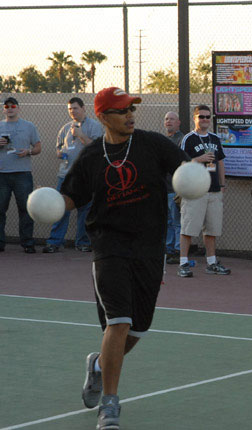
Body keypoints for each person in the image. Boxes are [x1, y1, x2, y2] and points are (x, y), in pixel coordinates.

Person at [59, 87, 188, 429]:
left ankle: (99, 365)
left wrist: (191, 177)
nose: (130, 114)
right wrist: (51, 204)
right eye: (121, 110)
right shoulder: (90, 158)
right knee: (119, 321)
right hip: (108, 246)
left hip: (149, 247)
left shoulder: (152, 144)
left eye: (132, 108)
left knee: (138, 329)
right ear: (102, 117)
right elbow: (70, 197)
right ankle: (110, 404)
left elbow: (183, 168)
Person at [43, 97, 103, 253]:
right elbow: (58, 148)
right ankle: (55, 241)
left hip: (86, 176)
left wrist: (81, 135)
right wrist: (60, 153)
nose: (72, 111)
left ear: (83, 108)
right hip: (66, 175)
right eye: (70, 109)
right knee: (60, 208)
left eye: (75, 108)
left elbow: (98, 149)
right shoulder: (65, 128)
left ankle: (82, 242)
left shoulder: (94, 127)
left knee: (85, 211)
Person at [178, 105, 230, 277]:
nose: (205, 120)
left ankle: (212, 262)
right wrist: (199, 159)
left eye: (208, 117)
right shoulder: (188, 138)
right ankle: (183, 263)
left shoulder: (215, 139)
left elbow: (220, 162)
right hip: (195, 189)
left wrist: (222, 185)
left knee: (212, 230)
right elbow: (182, 164)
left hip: (214, 190)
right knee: (189, 228)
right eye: (201, 117)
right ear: (195, 118)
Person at [0, 96, 41, 253]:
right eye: (7, 106)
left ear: (18, 108)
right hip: (2, 174)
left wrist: (28, 152)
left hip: (22, 174)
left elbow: (38, 147)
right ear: (4, 109)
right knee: (0, 209)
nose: (10, 108)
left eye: (13, 106)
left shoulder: (28, 126)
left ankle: (27, 243)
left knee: (25, 208)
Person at [163, 111, 184, 264]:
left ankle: (178, 250)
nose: (169, 121)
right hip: (164, 188)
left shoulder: (182, 140)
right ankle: (169, 249)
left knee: (177, 221)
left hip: (176, 187)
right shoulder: (163, 140)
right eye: (166, 119)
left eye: (172, 119)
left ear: (178, 122)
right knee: (168, 221)